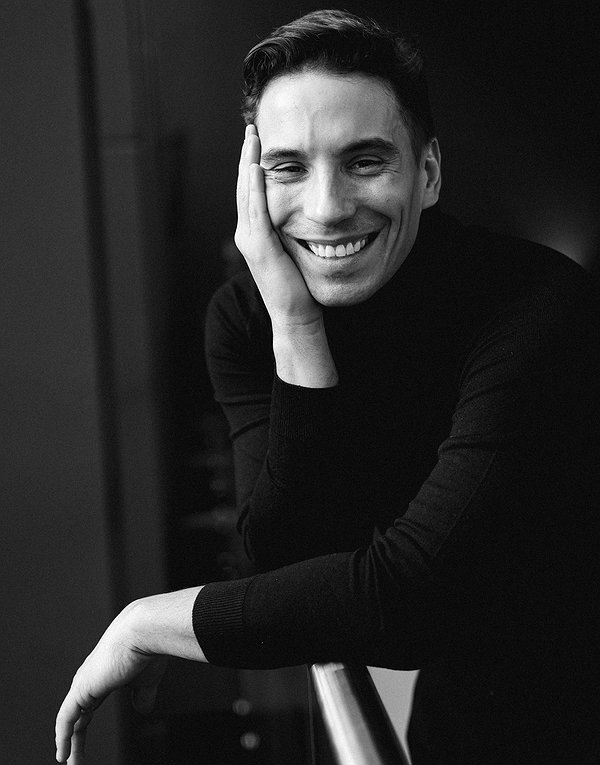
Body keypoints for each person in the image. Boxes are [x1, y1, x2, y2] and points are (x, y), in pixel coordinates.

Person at [56, 9, 600, 763]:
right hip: (454, 729)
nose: (326, 208)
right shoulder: (250, 318)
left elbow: (412, 596)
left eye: (365, 161)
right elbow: (283, 571)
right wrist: (296, 327)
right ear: (254, 185)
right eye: (288, 168)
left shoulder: (538, 307)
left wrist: (146, 624)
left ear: (428, 173)